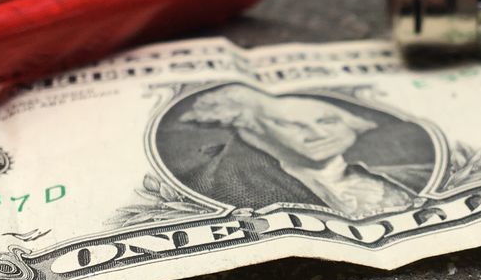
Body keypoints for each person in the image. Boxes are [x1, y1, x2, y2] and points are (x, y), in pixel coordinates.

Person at [171, 85, 433, 219]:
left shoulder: (416, 177)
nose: (318, 135)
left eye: (327, 121)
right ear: (253, 129)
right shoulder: (214, 186)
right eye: (290, 125)